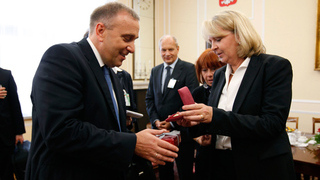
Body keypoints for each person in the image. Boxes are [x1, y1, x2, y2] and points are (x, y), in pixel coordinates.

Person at [25, 2, 178, 180]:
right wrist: (133, 143)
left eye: (134, 40)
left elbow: (106, 128)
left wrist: (143, 141)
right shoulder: (62, 57)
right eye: (127, 38)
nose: (132, 48)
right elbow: (61, 131)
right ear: (100, 31)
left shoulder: (110, 73)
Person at [177, 10, 295, 180]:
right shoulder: (219, 75)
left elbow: (272, 124)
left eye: (218, 39)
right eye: (210, 41)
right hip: (219, 164)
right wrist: (193, 122)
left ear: (240, 35)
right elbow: (216, 124)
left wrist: (212, 115)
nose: (213, 47)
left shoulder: (274, 67)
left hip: (258, 167)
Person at [145, 35, 198, 180]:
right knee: (164, 173)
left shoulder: (188, 69)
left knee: (184, 172)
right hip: (161, 132)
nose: (167, 53)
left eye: (170, 49)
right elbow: (149, 99)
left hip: (182, 132)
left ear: (178, 49)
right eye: (163, 50)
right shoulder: (155, 71)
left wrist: (172, 121)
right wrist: (156, 120)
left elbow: (191, 101)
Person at [192, 49, 225, 180]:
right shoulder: (197, 93)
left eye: (213, 69)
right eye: (204, 70)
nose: (209, 75)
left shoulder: (229, 92)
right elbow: (190, 127)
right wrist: (198, 139)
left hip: (225, 153)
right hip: (205, 152)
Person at [0, 67, 25, 180]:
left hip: (6, 136)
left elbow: (15, 104)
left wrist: (19, 132)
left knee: (7, 173)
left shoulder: (6, 75)